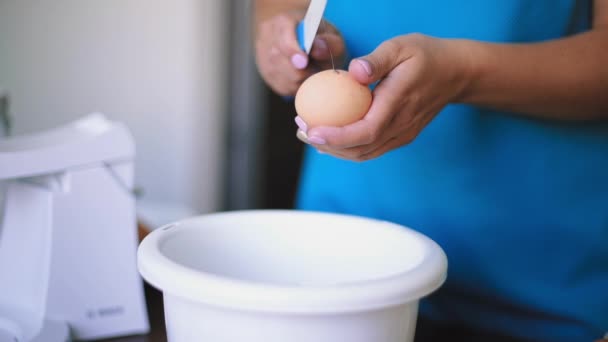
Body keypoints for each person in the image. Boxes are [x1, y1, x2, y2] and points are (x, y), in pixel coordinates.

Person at [253, 0, 608, 341]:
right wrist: (286, 38)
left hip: (537, 279)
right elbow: (281, 6)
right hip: (348, 260)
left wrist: (463, 72)